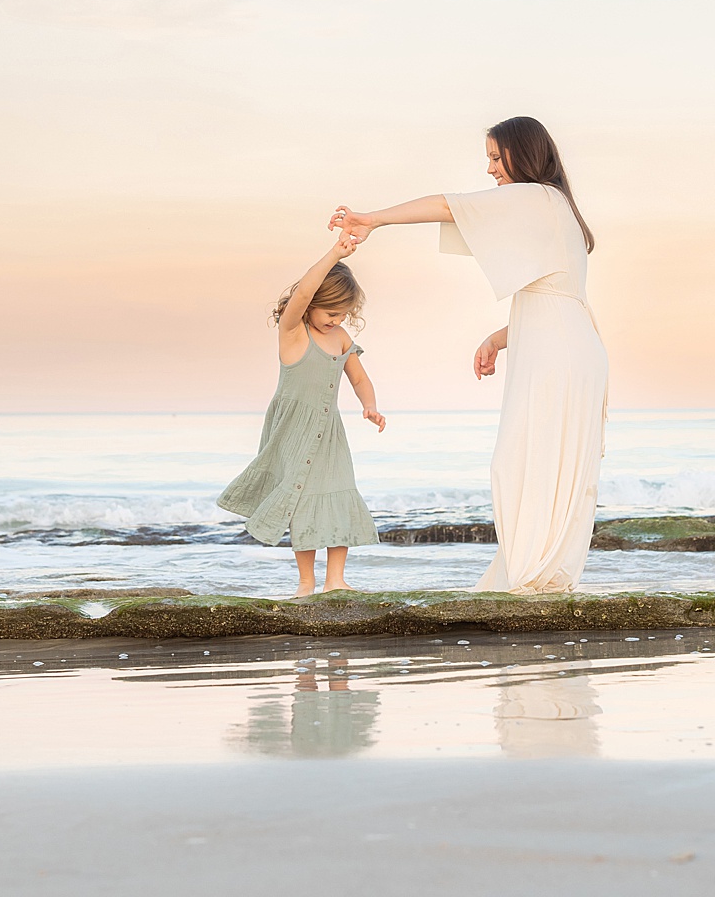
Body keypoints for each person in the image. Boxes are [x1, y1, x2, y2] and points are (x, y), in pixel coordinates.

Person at [330, 116, 607, 593]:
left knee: (524, 461)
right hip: (570, 345)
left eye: (497, 158)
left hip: (559, 352)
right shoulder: (554, 204)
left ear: (526, 154)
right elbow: (554, 297)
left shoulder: (535, 196)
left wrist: (371, 218)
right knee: (541, 462)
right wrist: (498, 339)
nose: (491, 170)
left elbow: (446, 206)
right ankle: (537, 576)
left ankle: (530, 578)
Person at [218, 231, 386, 597]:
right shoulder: (293, 331)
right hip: (292, 431)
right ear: (311, 304)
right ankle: (306, 583)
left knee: (338, 496)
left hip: (329, 434)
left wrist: (369, 405)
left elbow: (359, 378)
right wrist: (333, 254)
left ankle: (335, 581)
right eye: (330, 311)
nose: (337, 319)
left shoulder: (341, 337)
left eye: (343, 313)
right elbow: (304, 292)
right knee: (303, 502)